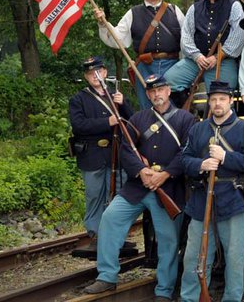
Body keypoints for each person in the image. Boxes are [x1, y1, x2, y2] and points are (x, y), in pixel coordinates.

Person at [83, 74, 196, 300]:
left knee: (168, 242)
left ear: (168, 91)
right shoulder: (138, 118)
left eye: (160, 89)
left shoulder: (186, 119)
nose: (156, 94)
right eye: (152, 91)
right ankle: (107, 276)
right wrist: (142, 172)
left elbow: (188, 152)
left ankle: (164, 290)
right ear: (147, 94)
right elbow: (126, 149)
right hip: (137, 186)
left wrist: (164, 174)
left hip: (169, 189)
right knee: (110, 218)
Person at [179, 80, 244, 302]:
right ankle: (190, 298)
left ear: (230, 102)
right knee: (195, 258)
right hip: (201, 200)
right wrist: (201, 165)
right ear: (209, 102)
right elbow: (184, 160)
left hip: (234, 199)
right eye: (214, 99)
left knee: (234, 260)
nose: (217, 103)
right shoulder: (197, 129)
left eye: (222, 99)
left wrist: (226, 157)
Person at [69, 56, 134, 248]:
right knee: (95, 196)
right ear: (86, 77)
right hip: (92, 155)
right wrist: (107, 122)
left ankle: (117, 236)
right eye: (90, 73)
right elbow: (79, 126)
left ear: (105, 72)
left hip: (115, 154)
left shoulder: (116, 96)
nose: (95, 76)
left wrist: (124, 105)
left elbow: (134, 122)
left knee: (117, 197)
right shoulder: (78, 99)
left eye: (98, 71)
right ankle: (96, 235)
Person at [93, 0, 185, 109]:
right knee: (148, 108)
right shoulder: (133, 13)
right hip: (145, 67)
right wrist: (103, 23)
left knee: (174, 108)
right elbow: (117, 38)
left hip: (173, 66)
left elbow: (186, 38)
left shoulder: (174, 10)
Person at [166, 0, 244, 103]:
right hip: (196, 61)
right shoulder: (194, 8)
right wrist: (197, 56)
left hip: (223, 62)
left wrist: (217, 57)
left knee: (221, 97)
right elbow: (186, 36)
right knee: (169, 80)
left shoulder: (234, 6)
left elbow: (239, 35)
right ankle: (187, 115)